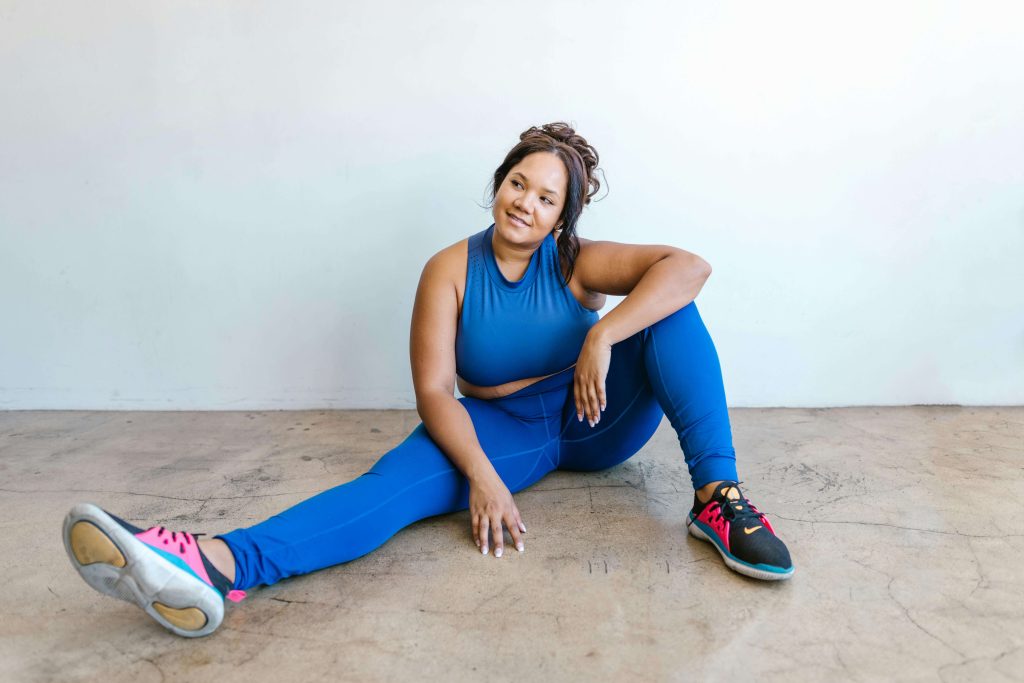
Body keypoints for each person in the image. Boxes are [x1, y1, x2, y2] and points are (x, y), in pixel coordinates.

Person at [61, 121, 794, 638]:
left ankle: (718, 499)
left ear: (562, 217)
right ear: (498, 183)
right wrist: (483, 474)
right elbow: (436, 393)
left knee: (669, 312)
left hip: (592, 416)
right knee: (386, 489)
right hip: (500, 432)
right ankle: (213, 564)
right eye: (517, 183)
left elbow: (690, 266)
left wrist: (605, 331)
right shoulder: (448, 269)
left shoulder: (574, 262)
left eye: (546, 198)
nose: (525, 203)